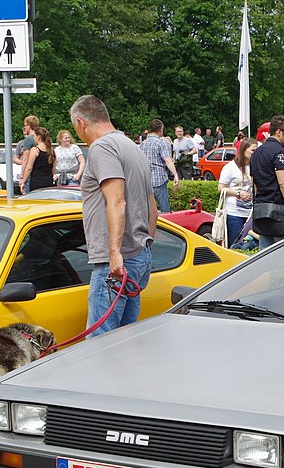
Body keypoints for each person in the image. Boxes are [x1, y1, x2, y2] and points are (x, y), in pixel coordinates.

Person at [69, 95, 154, 336]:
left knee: (100, 345)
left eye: (77, 129)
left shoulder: (102, 147)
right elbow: (152, 207)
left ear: (81, 122)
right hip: (137, 255)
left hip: (115, 265)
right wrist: (146, 245)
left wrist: (115, 253)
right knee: (124, 341)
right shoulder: (132, 147)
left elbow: (117, 201)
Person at [251, 114, 284, 250]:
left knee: (264, 256)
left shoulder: (257, 153)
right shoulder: (279, 152)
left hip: (261, 209)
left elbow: (254, 184)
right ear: (279, 132)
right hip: (278, 210)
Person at [217, 137, 257, 248]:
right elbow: (221, 188)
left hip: (252, 212)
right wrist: (238, 193)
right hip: (235, 213)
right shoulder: (230, 167)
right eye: (253, 150)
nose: (255, 153)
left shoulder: (256, 165)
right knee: (235, 245)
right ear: (244, 150)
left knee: (249, 245)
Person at [140, 119, 179, 213]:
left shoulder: (143, 144)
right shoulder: (162, 143)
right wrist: (175, 175)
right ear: (161, 129)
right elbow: (168, 160)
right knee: (165, 210)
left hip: (146, 180)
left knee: (148, 211)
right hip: (159, 179)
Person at [19, 126, 56, 193]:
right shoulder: (51, 150)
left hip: (37, 181)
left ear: (38, 137)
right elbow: (53, 169)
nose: (34, 138)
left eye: (34, 136)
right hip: (48, 181)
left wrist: (23, 181)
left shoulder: (35, 150)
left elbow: (29, 168)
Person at [13, 115, 39, 192]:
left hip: (30, 175)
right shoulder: (42, 138)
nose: (24, 128)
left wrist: (22, 177)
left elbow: (25, 160)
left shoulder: (28, 139)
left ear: (29, 126)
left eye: (25, 125)